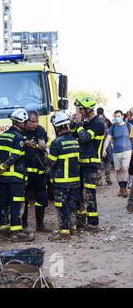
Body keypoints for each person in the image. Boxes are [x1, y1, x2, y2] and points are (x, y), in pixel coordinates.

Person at [0, 108, 35, 242]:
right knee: (16, 203)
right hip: (15, 178)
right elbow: (15, 156)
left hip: (3, 178)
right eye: (26, 122)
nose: (27, 124)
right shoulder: (19, 138)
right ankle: (16, 233)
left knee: (3, 203)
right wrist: (4, 166)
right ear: (21, 123)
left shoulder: (2, 136)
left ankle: (3, 229)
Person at [44, 111, 80, 241]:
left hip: (61, 182)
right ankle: (73, 229)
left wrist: (45, 154)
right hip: (75, 181)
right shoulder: (75, 141)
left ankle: (64, 233)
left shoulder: (56, 143)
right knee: (72, 205)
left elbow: (51, 162)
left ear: (57, 127)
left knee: (61, 205)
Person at [70, 96, 105, 231]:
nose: (79, 111)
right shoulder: (85, 122)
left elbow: (84, 138)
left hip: (91, 164)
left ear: (89, 109)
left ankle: (93, 223)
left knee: (89, 193)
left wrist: (79, 124)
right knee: (79, 193)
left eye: (81, 109)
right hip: (81, 163)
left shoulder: (98, 123)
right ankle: (81, 221)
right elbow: (74, 136)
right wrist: (73, 124)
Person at [21, 110, 50, 232]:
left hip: (39, 172)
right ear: (26, 121)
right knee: (24, 200)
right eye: (32, 121)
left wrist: (42, 147)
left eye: (37, 121)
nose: (35, 124)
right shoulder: (20, 131)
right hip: (25, 173)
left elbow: (43, 143)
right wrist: (24, 143)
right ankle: (23, 225)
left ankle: (40, 225)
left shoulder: (40, 130)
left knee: (42, 198)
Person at [102, 110, 133, 198]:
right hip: (116, 152)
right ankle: (121, 188)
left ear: (122, 116)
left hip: (127, 150)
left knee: (125, 168)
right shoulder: (113, 127)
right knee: (118, 170)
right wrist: (104, 149)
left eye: (118, 116)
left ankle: (124, 189)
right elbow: (108, 138)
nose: (117, 118)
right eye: (115, 116)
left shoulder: (129, 126)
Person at [96, 107, 113, 186]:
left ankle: (99, 180)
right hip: (107, 144)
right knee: (107, 161)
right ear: (103, 112)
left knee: (98, 161)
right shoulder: (108, 121)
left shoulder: (95, 121)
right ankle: (108, 178)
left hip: (98, 144)